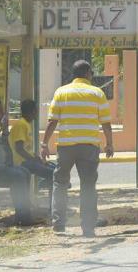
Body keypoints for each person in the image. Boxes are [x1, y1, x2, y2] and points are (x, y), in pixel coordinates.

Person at [41, 60, 114, 237]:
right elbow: (106, 123)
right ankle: (88, 227)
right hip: (89, 146)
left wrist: (44, 144)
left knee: (60, 183)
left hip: (66, 146)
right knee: (88, 185)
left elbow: (52, 121)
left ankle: (59, 225)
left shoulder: (61, 92)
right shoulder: (97, 93)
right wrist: (109, 143)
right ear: (88, 73)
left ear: (73, 74)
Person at [9, 99, 56, 188]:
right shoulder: (21, 125)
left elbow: (27, 148)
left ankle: (44, 185)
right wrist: (33, 159)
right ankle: (41, 185)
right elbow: (19, 149)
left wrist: (36, 157)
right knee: (55, 174)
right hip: (22, 162)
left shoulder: (26, 124)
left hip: (28, 160)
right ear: (33, 111)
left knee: (55, 168)